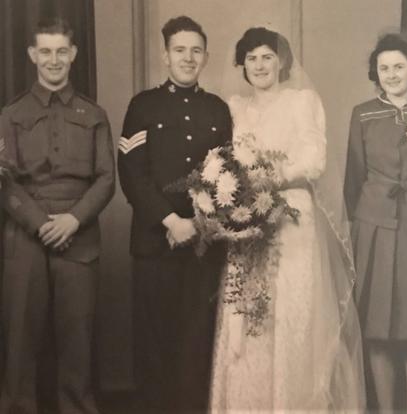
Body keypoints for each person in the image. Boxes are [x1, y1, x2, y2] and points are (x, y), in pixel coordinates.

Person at [209, 27, 365, 411]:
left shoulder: (302, 101)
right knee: (248, 315)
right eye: (251, 58)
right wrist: (240, 192)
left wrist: (270, 180)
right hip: (247, 218)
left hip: (293, 219)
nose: (259, 65)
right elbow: (224, 163)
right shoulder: (235, 107)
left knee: (291, 315)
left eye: (267, 57)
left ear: (281, 62)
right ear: (242, 65)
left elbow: (315, 159)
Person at [0, 18, 115, 414]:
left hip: (78, 236)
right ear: (32, 55)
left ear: (73, 55)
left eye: (61, 51)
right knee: (19, 342)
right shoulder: (11, 114)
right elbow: (5, 181)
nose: (54, 60)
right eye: (45, 52)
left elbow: (105, 179)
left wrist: (72, 220)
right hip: (25, 236)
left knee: (77, 339)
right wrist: (40, 223)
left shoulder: (94, 113)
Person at [118, 16, 232, 413]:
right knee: (153, 345)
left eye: (196, 50)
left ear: (205, 57)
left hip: (203, 245)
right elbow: (132, 173)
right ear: (165, 56)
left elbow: (228, 178)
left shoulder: (218, 110)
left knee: (196, 343)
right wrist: (171, 221)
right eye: (180, 50)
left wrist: (197, 226)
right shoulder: (143, 105)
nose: (188, 57)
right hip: (155, 242)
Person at [344, 33, 407, 412]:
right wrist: (359, 228)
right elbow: (353, 178)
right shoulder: (363, 113)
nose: (392, 74)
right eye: (384, 68)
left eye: (399, 66)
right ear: (376, 73)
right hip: (375, 229)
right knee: (377, 330)